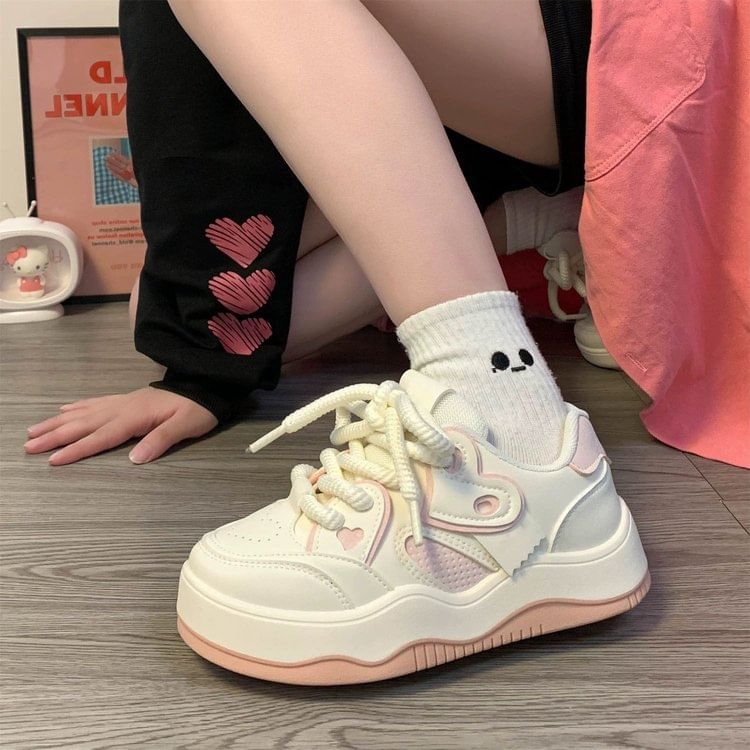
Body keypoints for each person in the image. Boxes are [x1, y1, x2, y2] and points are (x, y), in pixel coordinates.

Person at [25, 0, 650, 683]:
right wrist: (201, 363)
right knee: (168, 307)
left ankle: (508, 424)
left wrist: (203, 361)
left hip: (618, 40)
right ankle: (526, 215)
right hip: (472, 88)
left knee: (211, 316)